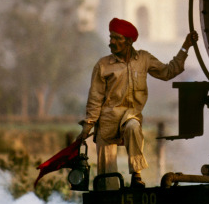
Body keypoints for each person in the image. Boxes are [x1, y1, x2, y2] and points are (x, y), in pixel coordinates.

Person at [80, 18, 198, 188]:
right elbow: (95, 97)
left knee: (133, 126)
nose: (111, 42)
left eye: (116, 38)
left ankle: (136, 175)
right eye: (110, 37)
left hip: (130, 115)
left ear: (128, 41)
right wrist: (87, 126)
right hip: (107, 121)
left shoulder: (144, 59)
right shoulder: (103, 65)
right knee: (107, 181)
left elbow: (168, 71)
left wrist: (185, 47)